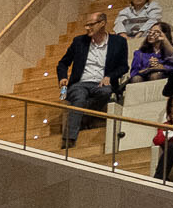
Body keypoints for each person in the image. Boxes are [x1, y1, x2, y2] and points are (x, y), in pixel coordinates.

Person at [54, 9, 129, 152]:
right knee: (79, 97)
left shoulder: (118, 42)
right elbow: (63, 63)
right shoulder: (79, 41)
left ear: (102, 23)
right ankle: (68, 139)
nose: (87, 28)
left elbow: (124, 67)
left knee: (105, 92)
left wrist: (109, 77)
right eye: (86, 25)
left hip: (101, 83)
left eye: (91, 25)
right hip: (80, 83)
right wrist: (63, 77)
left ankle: (82, 117)